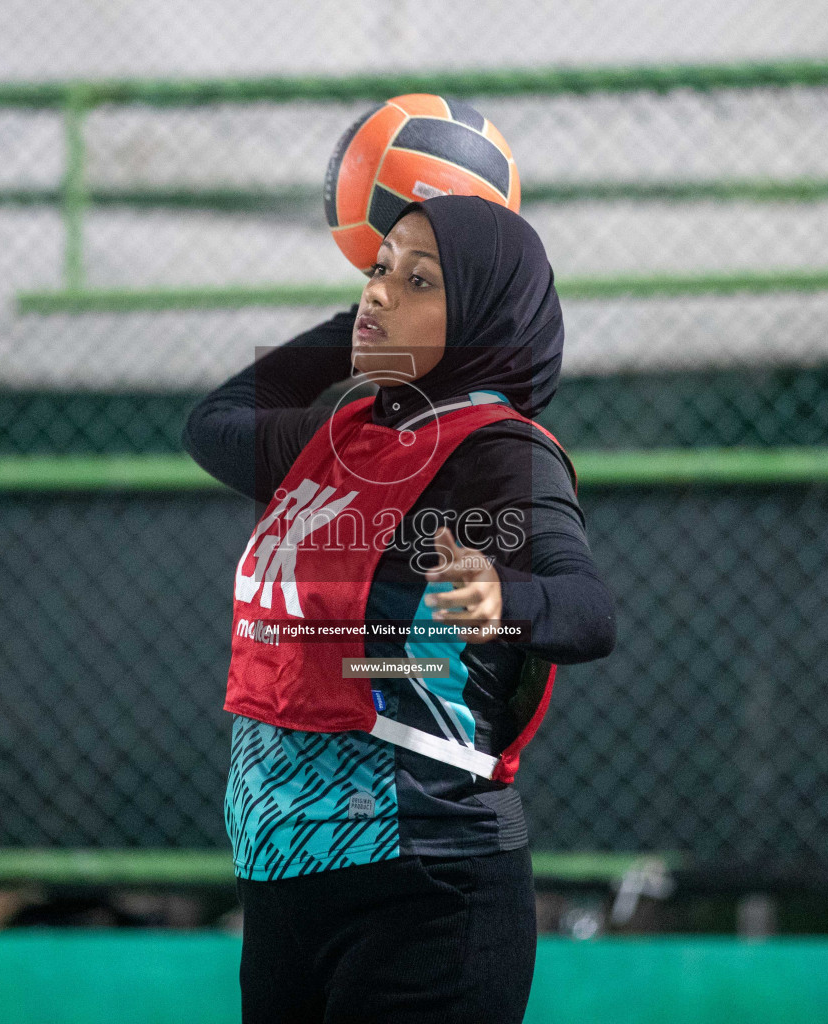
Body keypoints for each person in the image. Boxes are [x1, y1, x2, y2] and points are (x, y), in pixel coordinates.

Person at [184, 194, 616, 1024]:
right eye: (376, 270)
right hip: (284, 884)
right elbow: (212, 424)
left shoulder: (497, 449)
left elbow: (588, 611)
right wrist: (373, 308)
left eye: (420, 281)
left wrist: (504, 598)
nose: (377, 293)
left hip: (424, 882)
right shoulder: (333, 434)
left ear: (487, 320)